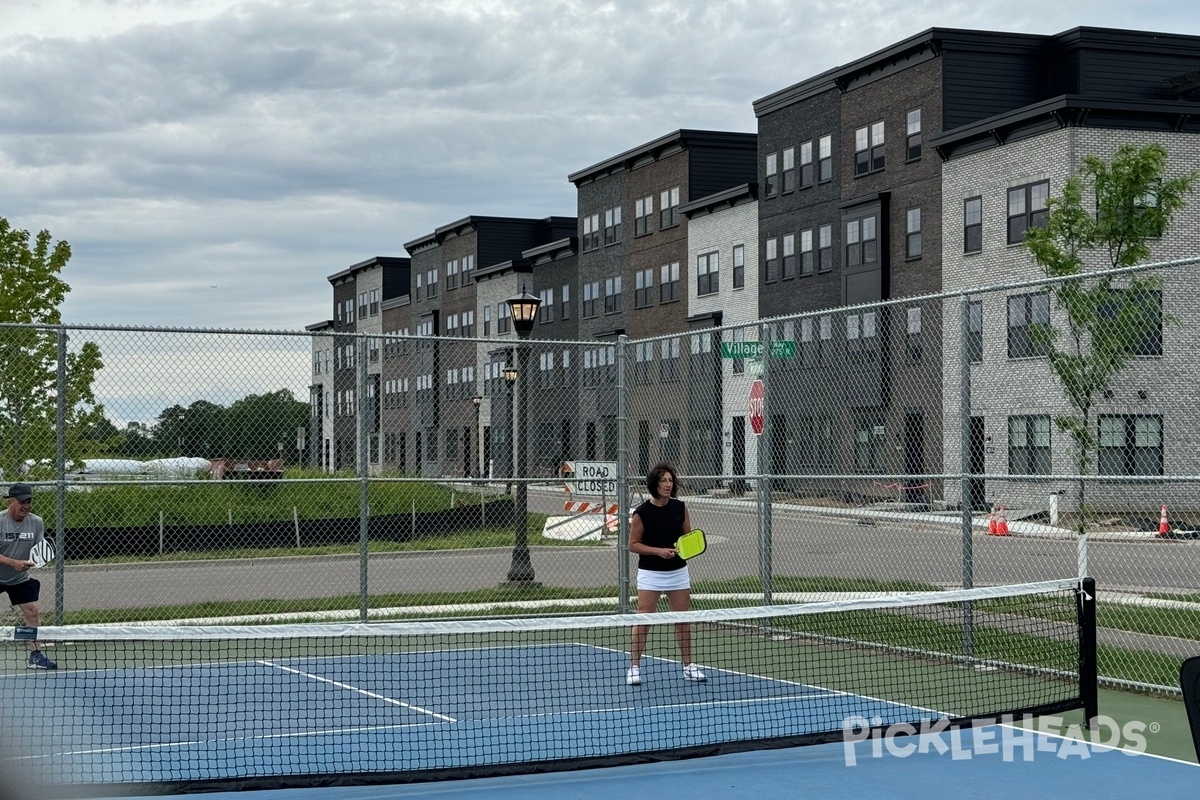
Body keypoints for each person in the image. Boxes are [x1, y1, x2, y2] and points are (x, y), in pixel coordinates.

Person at [626, 463, 705, 685]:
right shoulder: (642, 513)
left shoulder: (680, 508)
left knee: (682, 620)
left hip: (678, 572)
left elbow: (687, 538)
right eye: (663, 481)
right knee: (644, 619)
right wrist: (659, 552)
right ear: (654, 484)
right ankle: (634, 667)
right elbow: (633, 545)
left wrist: (683, 548)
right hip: (651, 573)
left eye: (670, 481)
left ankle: (688, 666)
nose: (668, 485)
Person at [1, 483, 57, 669]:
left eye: (29, 501)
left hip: (19, 578)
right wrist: (14, 563)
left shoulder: (36, 522)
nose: (26, 505)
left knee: (32, 611)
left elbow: (41, 550)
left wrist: (33, 562)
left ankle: (35, 655)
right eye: (22, 502)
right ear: (11, 501)